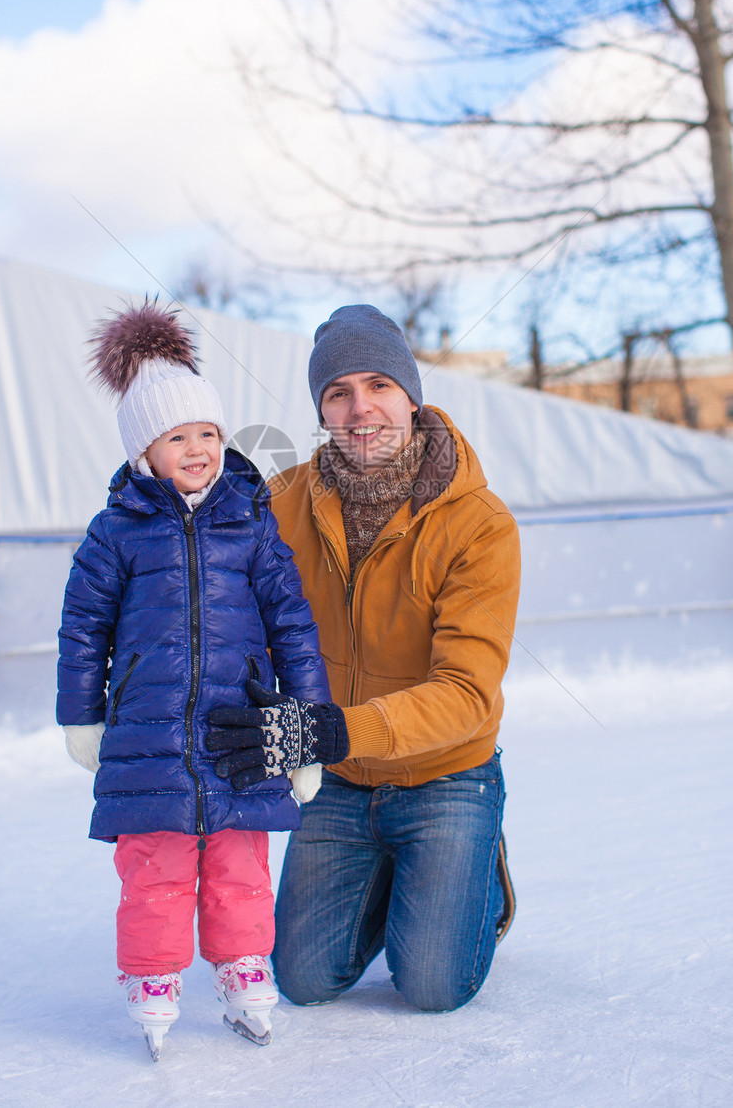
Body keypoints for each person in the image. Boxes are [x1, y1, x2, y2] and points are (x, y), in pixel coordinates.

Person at [207, 304, 521, 1014]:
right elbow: (216, 602)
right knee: (304, 980)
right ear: (321, 409)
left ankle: (475, 872)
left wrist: (332, 729)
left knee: (432, 985)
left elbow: (468, 692)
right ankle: (396, 875)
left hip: (447, 773)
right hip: (339, 780)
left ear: (411, 395)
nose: (361, 408)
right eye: (337, 392)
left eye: (379, 384)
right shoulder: (279, 506)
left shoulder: (480, 523)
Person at [56, 301, 345, 1057]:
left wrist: (308, 732)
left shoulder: (252, 526)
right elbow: (83, 629)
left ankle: (245, 965)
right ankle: (153, 979)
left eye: (209, 434)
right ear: (144, 451)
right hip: (147, 739)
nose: (198, 448)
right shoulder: (113, 532)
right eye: (178, 436)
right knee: (155, 867)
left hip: (240, 734)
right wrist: (80, 715)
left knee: (241, 864)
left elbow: (294, 631)